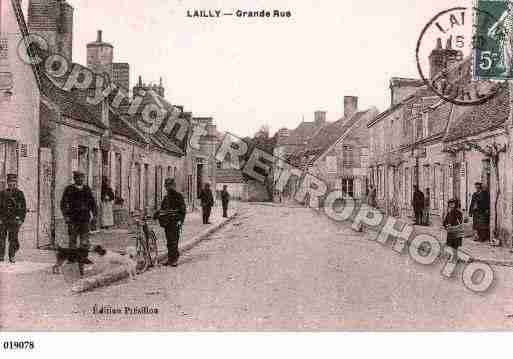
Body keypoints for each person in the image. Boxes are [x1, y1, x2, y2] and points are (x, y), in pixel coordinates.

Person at [60, 171, 97, 274]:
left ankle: (84, 258)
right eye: (78, 178)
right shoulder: (69, 189)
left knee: (85, 240)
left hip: (85, 219)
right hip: (73, 219)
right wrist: (66, 216)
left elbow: (92, 203)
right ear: (74, 178)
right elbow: (63, 204)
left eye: (82, 178)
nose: (80, 180)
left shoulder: (87, 189)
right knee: (72, 240)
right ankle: (72, 259)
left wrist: (94, 215)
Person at [155, 178, 186, 267]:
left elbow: (183, 210)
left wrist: (180, 221)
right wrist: (157, 214)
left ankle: (174, 259)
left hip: (175, 222)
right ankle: (170, 259)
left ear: (173, 186)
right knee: (169, 241)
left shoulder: (178, 196)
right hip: (167, 222)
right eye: (166, 186)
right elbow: (162, 209)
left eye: (169, 185)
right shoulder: (166, 198)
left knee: (174, 241)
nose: (168, 188)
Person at [0, 174, 27, 263]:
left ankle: (12, 256)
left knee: (13, 239)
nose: (12, 184)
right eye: (10, 182)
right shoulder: (2, 193)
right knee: (1, 238)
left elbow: (23, 208)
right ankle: (1, 256)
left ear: (16, 183)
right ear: (7, 183)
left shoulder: (20, 194)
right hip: (3, 220)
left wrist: (21, 219)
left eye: (14, 182)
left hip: (15, 220)